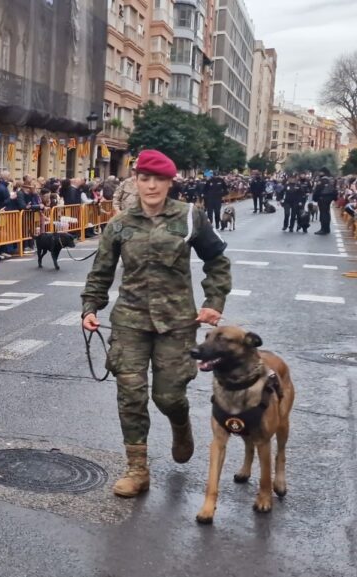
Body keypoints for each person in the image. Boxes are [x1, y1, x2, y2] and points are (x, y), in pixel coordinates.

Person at [81, 149, 231, 498]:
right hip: (130, 321)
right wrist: (91, 306)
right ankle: (137, 469)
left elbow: (217, 262)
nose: (151, 186)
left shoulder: (190, 217)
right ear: (136, 181)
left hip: (177, 323)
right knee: (130, 394)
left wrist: (213, 302)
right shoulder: (119, 224)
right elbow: (100, 271)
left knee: (168, 395)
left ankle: (180, 424)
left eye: (158, 179)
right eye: (144, 178)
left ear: (169, 182)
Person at [313, 171, 337, 235]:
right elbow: (335, 190)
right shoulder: (330, 180)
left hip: (322, 199)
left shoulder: (321, 181)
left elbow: (317, 190)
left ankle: (323, 229)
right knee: (327, 213)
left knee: (323, 214)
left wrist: (315, 198)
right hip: (329, 199)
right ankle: (327, 229)